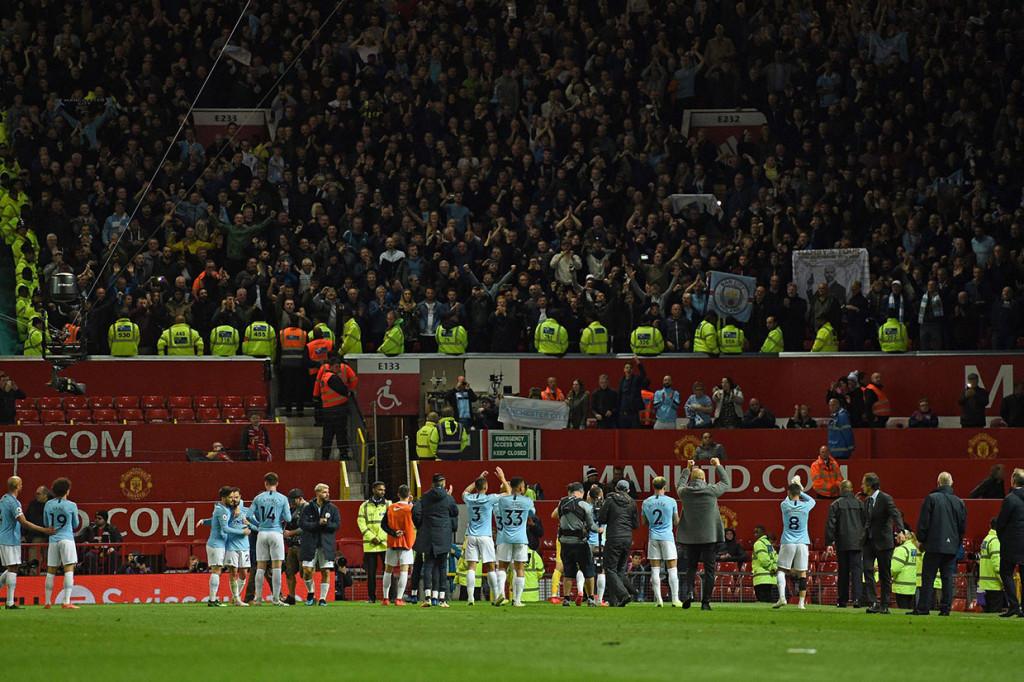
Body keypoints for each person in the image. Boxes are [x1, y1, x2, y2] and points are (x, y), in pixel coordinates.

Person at [909, 472, 967, 616]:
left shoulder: (931, 499)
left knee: (928, 577)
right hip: (951, 547)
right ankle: (945, 609)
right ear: (951, 483)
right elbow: (962, 527)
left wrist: (921, 540)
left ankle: (923, 607)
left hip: (934, 545)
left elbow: (924, 522)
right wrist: (957, 543)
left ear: (938, 483)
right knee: (947, 578)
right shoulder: (959, 502)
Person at [676, 458, 731, 610]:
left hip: (690, 537)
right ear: (704, 478)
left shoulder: (685, 492)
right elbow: (726, 482)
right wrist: (718, 466)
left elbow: (679, 484)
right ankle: (705, 602)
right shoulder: (711, 490)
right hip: (710, 537)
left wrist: (687, 468)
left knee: (691, 567)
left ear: (692, 479)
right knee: (709, 569)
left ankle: (689, 593)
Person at [1, 476, 54, 609]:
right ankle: (10, 602)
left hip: (6, 538)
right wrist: (44, 530)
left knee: (13, 567)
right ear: (18, 486)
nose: (22, 486)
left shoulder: (3, 499)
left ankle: (9, 602)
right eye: (21, 484)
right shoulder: (14, 503)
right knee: (12, 567)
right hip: (9, 539)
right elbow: (24, 522)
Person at [861, 472, 906, 614]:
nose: (861, 486)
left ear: (869, 485)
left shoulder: (886, 499)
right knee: (867, 569)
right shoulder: (867, 501)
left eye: (863, 483)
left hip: (883, 543)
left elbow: (895, 515)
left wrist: (901, 531)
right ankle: (873, 602)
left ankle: (884, 605)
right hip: (869, 541)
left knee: (884, 574)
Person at [414, 473, 460, 607]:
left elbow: (416, 512)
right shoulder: (447, 498)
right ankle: (441, 599)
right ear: (444, 483)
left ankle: (427, 597)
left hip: (428, 534)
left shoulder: (425, 497)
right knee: (442, 566)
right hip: (443, 535)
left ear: (432, 483)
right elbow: (455, 512)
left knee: (428, 565)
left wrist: (420, 525)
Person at [553, 482, 599, 606]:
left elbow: (555, 516)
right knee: (588, 571)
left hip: (565, 542)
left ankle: (566, 599)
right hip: (580, 543)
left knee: (568, 572)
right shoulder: (583, 504)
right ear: (581, 492)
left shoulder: (561, 502)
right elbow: (591, 525)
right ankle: (590, 598)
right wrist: (599, 530)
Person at [773, 476, 816, 610]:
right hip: (802, 543)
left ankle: (782, 598)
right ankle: (801, 604)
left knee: (781, 570)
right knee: (802, 573)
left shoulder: (784, 505)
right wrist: (800, 488)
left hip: (788, 542)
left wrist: (793, 486)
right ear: (799, 493)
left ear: (788, 493)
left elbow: (788, 498)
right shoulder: (806, 505)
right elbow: (812, 500)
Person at [250, 472, 292, 606]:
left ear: (265, 483)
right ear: (277, 483)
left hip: (262, 533)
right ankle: (275, 599)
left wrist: (258, 524)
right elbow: (289, 518)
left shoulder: (258, 498)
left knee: (260, 566)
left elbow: (249, 515)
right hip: (276, 533)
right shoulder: (283, 498)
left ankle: (258, 599)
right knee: (276, 566)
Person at [461, 471, 502, 605]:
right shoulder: (489, 499)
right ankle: (496, 596)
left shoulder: (470, 498)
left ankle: (470, 598)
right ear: (485, 487)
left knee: (471, 567)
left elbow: (465, 491)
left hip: (471, 536)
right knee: (490, 567)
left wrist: (477, 479)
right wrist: (502, 478)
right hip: (485, 536)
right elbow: (507, 493)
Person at [494, 474, 536, 607]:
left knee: (502, 567)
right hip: (521, 538)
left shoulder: (502, 501)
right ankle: (517, 600)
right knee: (520, 568)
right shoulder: (527, 501)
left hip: (505, 537)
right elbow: (532, 514)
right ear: (521, 487)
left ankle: (501, 593)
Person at [598, 479, 641, 607]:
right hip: (627, 538)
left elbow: (601, 518)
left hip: (613, 537)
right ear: (628, 490)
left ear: (616, 488)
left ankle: (624, 595)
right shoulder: (632, 502)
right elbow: (636, 524)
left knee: (610, 568)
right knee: (620, 570)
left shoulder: (610, 500)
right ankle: (617, 599)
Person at [642, 476, 682, 607]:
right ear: (664, 487)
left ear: (653, 487)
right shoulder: (671, 501)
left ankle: (658, 600)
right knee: (672, 569)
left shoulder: (646, 502)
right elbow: (676, 521)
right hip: (667, 538)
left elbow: (644, 522)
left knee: (655, 570)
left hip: (653, 537)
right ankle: (675, 600)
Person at [825, 480, 865, 608]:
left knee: (843, 572)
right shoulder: (860, 504)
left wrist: (829, 542)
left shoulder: (835, 504)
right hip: (858, 543)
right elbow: (866, 523)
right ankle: (857, 599)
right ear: (852, 488)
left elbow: (831, 525)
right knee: (857, 572)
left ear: (841, 489)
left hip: (842, 543)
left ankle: (842, 600)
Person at [299, 483, 339, 607]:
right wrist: (318, 524)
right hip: (310, 543)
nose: (327, 494)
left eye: (328, 492)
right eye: (324, 492)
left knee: (326, 571)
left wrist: (325, 524)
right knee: (307, 571)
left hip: (326, 544)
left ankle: (322, 598)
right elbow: (303, 524)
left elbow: (337, 525)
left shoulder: (333, 508)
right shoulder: (307, 508)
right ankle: (311, 592)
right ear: (317, 493)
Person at [43, 477, 81, 609]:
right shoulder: (71, 505)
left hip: (53, 540)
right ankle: (66, 601)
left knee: (51, 570)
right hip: (67, 538)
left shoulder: (48, 504)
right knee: (68, 569)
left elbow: (46, 523)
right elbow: (76, 524)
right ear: (67, 490)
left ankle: (48, 601)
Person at [380, 484, 416, 606]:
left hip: (392, 542)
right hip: (407, 543)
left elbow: (383, 525)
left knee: (388, 571)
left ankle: (385, 598)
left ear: (398, 495)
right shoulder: (411, 509)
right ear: (409, 495)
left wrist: (393, 533)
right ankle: (399, 599)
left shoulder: (391, 508)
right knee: (404, 571)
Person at [995, 467, 1024, 617]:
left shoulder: (1010, 499)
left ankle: (1014, 605)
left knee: (1006, 572)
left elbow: (1001, 523)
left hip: (1012, 542)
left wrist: (1002, 538)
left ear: (1013, 481)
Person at [317, 354, 357, 460]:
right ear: (330, 366)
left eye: (339, 367)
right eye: (336, 367)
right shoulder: (333, 378)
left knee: (328, 435)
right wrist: (348, 392)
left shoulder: (324, 377)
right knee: (341, 433)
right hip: (338, 410)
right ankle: (343, 454)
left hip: (328, 411)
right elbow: (344, 390)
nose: (338, 369)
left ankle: (325, 455)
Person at [200, 486, 233, 606]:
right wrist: (242, 532)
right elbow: (224, 528)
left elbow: (213, 520)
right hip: (216, 544)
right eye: (230, 497)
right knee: (216, 570)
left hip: (217, 544)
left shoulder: (222, 508)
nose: (232, 499)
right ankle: (212, 600)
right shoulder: (222, 510)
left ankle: (213, 599)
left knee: (217, 570)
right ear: (224, 498)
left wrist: (204, 521)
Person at [357, 481, 389, 604]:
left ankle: (390, 596)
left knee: (388, 571)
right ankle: (371, 597)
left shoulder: (388, 504)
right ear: (374, 490)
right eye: (380, 490)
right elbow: (361, 522)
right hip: (370, 545)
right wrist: (371, 537)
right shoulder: (364, 506)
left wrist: (380, 537)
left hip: (384, 543)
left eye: (384, 490)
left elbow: (390, 523)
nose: (382, 492)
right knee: (371, 574)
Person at [222, 487, 252, 606]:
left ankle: (236, 596)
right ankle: (236, 598)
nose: (234, 500)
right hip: (232, 546)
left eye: (237, 497)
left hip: (244, 546)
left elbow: (253, 524)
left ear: (240, 497)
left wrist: (249, 525)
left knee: (244, 573)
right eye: (232, 497)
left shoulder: (245, 510)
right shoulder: (226, 511)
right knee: (233, 572)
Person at [282, 489, 305, 605]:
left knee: (305, 572)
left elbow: (305, 527)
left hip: (304, 545)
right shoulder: (291, 509)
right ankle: (291, 596)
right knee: (289, 571)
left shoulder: (307, 508)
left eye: (293, 500)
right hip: (292, 545)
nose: (291, 503)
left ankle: (312, 594)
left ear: (300, 498)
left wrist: (290, 533)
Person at [978, 518, 1004, 613]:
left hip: (985, 584)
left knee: (986, 614)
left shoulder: (986, 539)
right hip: (995, 585)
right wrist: (1004, 581)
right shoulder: (995, 541)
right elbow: (997, 565)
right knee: (995, 614)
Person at [890, 530, 920, 610]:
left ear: (904, 537)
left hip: (902, 586)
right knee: (909, 609)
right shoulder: (914, 548)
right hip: (912, 586)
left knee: (903, 610)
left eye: (898, 536)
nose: (897, 539)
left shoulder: (901, 549)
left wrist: (887, 574)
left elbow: (894, 568)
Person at [617, 356, 650, 428]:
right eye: (627, 367)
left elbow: (643, 374)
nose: (628, 369)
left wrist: (638, 362)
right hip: (622, 413)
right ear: (624, 370)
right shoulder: (621, 381)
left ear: (632, 370)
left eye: (630, 368)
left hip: (633, 413)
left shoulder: (636, 379)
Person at [751, 527, 778, 603]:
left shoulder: (758, 543)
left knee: (762, 601)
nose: (755, 535)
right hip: (770, 577)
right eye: (754, 533)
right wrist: (774, 568)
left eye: (757, 532)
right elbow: (776, 557)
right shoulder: (769, 544)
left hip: (761, 577)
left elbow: (763, 560)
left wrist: (770, 568)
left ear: (762, 533)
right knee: (769, 600)